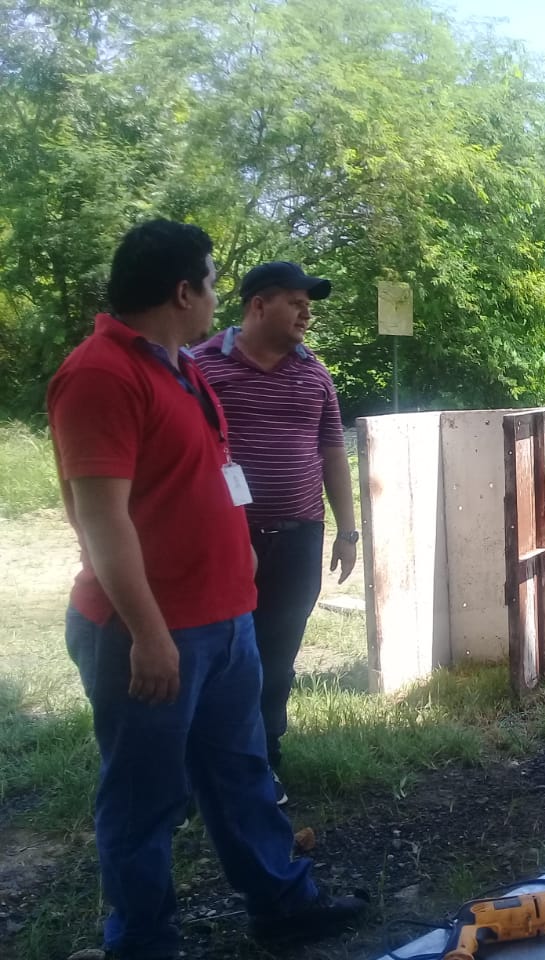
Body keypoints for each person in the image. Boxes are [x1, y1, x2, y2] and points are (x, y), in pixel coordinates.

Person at [47, 219, 366, 960]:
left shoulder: (179, 370)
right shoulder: (100, 374)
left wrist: (236, 554)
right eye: (214, 284)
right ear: (183, 291)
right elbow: (100, 519)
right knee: (145, 796)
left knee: (241, 772)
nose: (219, 298)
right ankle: (142, 942)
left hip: (225, 618)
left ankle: (283, 905)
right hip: (153, 630)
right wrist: (148, 633)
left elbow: (217, 471)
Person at [192, 260, 357, 804]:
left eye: (309, 306)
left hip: (299, 537)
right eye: (295, 303)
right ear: (258, 305)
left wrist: (348, 531)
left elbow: (333, 453)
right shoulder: (201, 367)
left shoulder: (315, 375)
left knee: (277, 656)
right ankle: (203, 768)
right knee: (218, 655)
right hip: (224, 539)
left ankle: (264, 760)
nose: (306, 314)